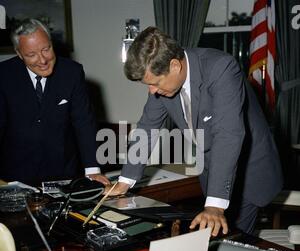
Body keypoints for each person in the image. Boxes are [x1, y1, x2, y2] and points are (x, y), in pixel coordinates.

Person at [105, 26, 283, 236]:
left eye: (155, 83)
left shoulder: (221, 68)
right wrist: (125, 181)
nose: (151, 91)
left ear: (174, 66)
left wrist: (215, 205)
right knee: (215, 243)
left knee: (232, 245)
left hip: (247, 170)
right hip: (213, 171)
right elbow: (147, 127)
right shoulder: (162, 86)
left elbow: (228, 135)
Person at [0, 19, 110, 186]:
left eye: (46, 49)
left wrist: (92, 170)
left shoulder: (71, 72)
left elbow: (84, 122)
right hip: (14, 174)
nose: (42, 60)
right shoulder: (3, 75)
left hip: (62, 172)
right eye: (31, 55)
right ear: (19, 53)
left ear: (52, 43)